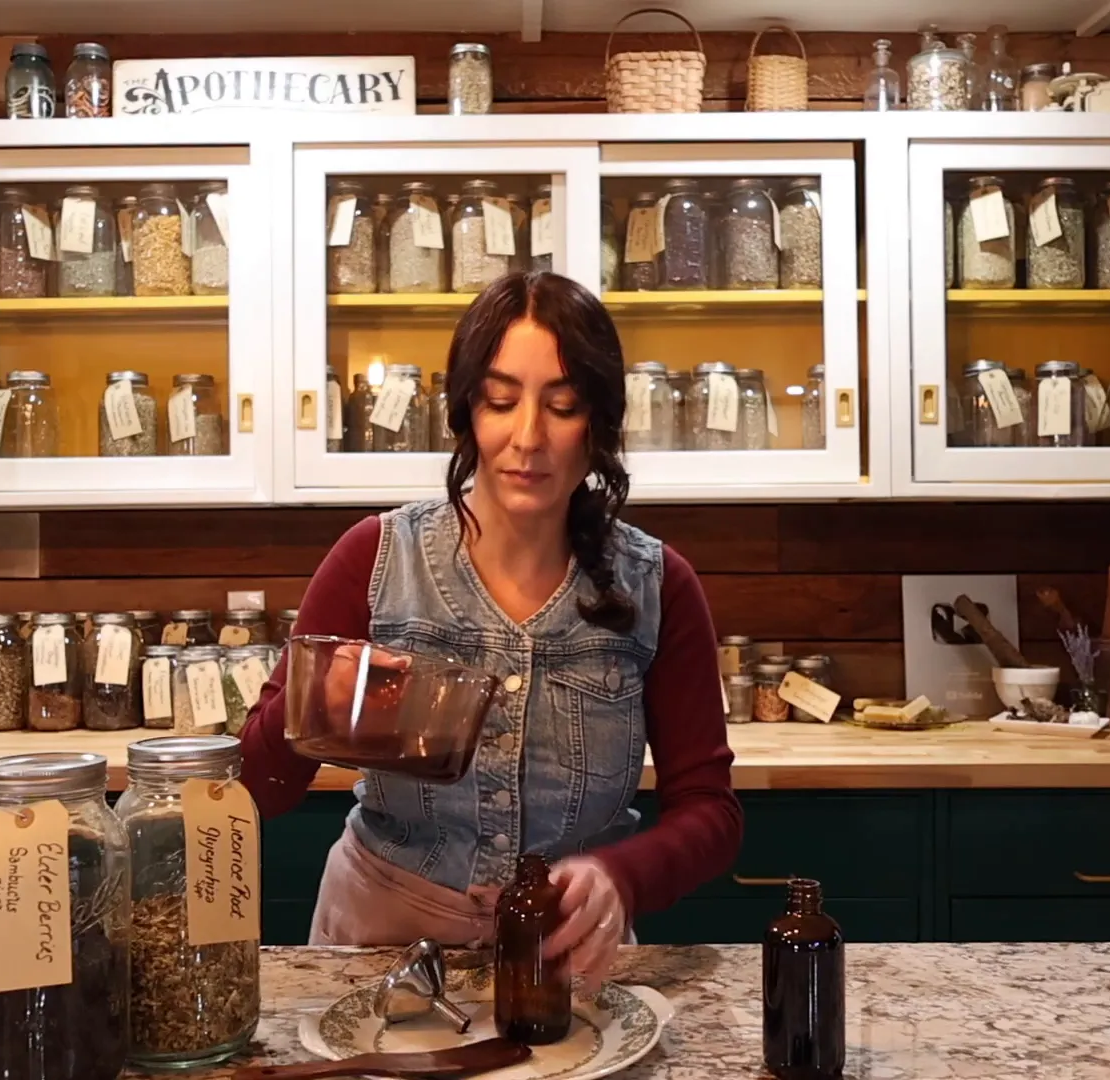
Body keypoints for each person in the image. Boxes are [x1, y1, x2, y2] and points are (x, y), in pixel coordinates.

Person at [242, 271, 741, 987]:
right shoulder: (374, 561)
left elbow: (711, 814)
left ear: (597, 422)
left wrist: (619, 877)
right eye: (501, 401)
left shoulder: (658, 585)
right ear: (467, 411)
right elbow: (257, 791)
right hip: (378, 950)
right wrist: (312, 710)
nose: (527, 437)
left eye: (562, 405)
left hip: (564, 958)